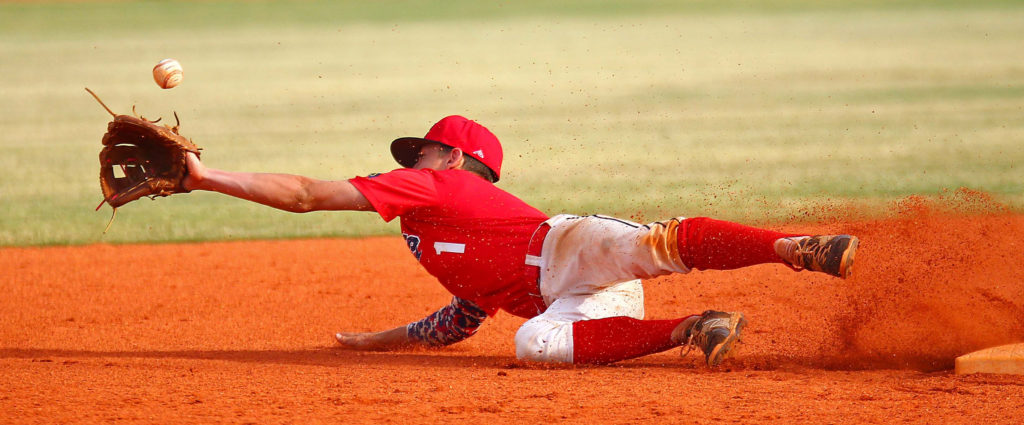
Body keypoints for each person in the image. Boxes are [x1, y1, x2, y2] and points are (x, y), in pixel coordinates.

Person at [182, 115, 858, 366]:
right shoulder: (429, 236)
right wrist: (371, 341)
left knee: (658, 243)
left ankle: (796, 246)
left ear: (454, 161)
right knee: (533, 342)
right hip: (566, 298)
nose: (410, 161)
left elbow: (304, 195)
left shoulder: (435, 189)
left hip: (567, 245)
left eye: (425, 150)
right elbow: (457, 320)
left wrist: (205, 177)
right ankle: (696, 327)